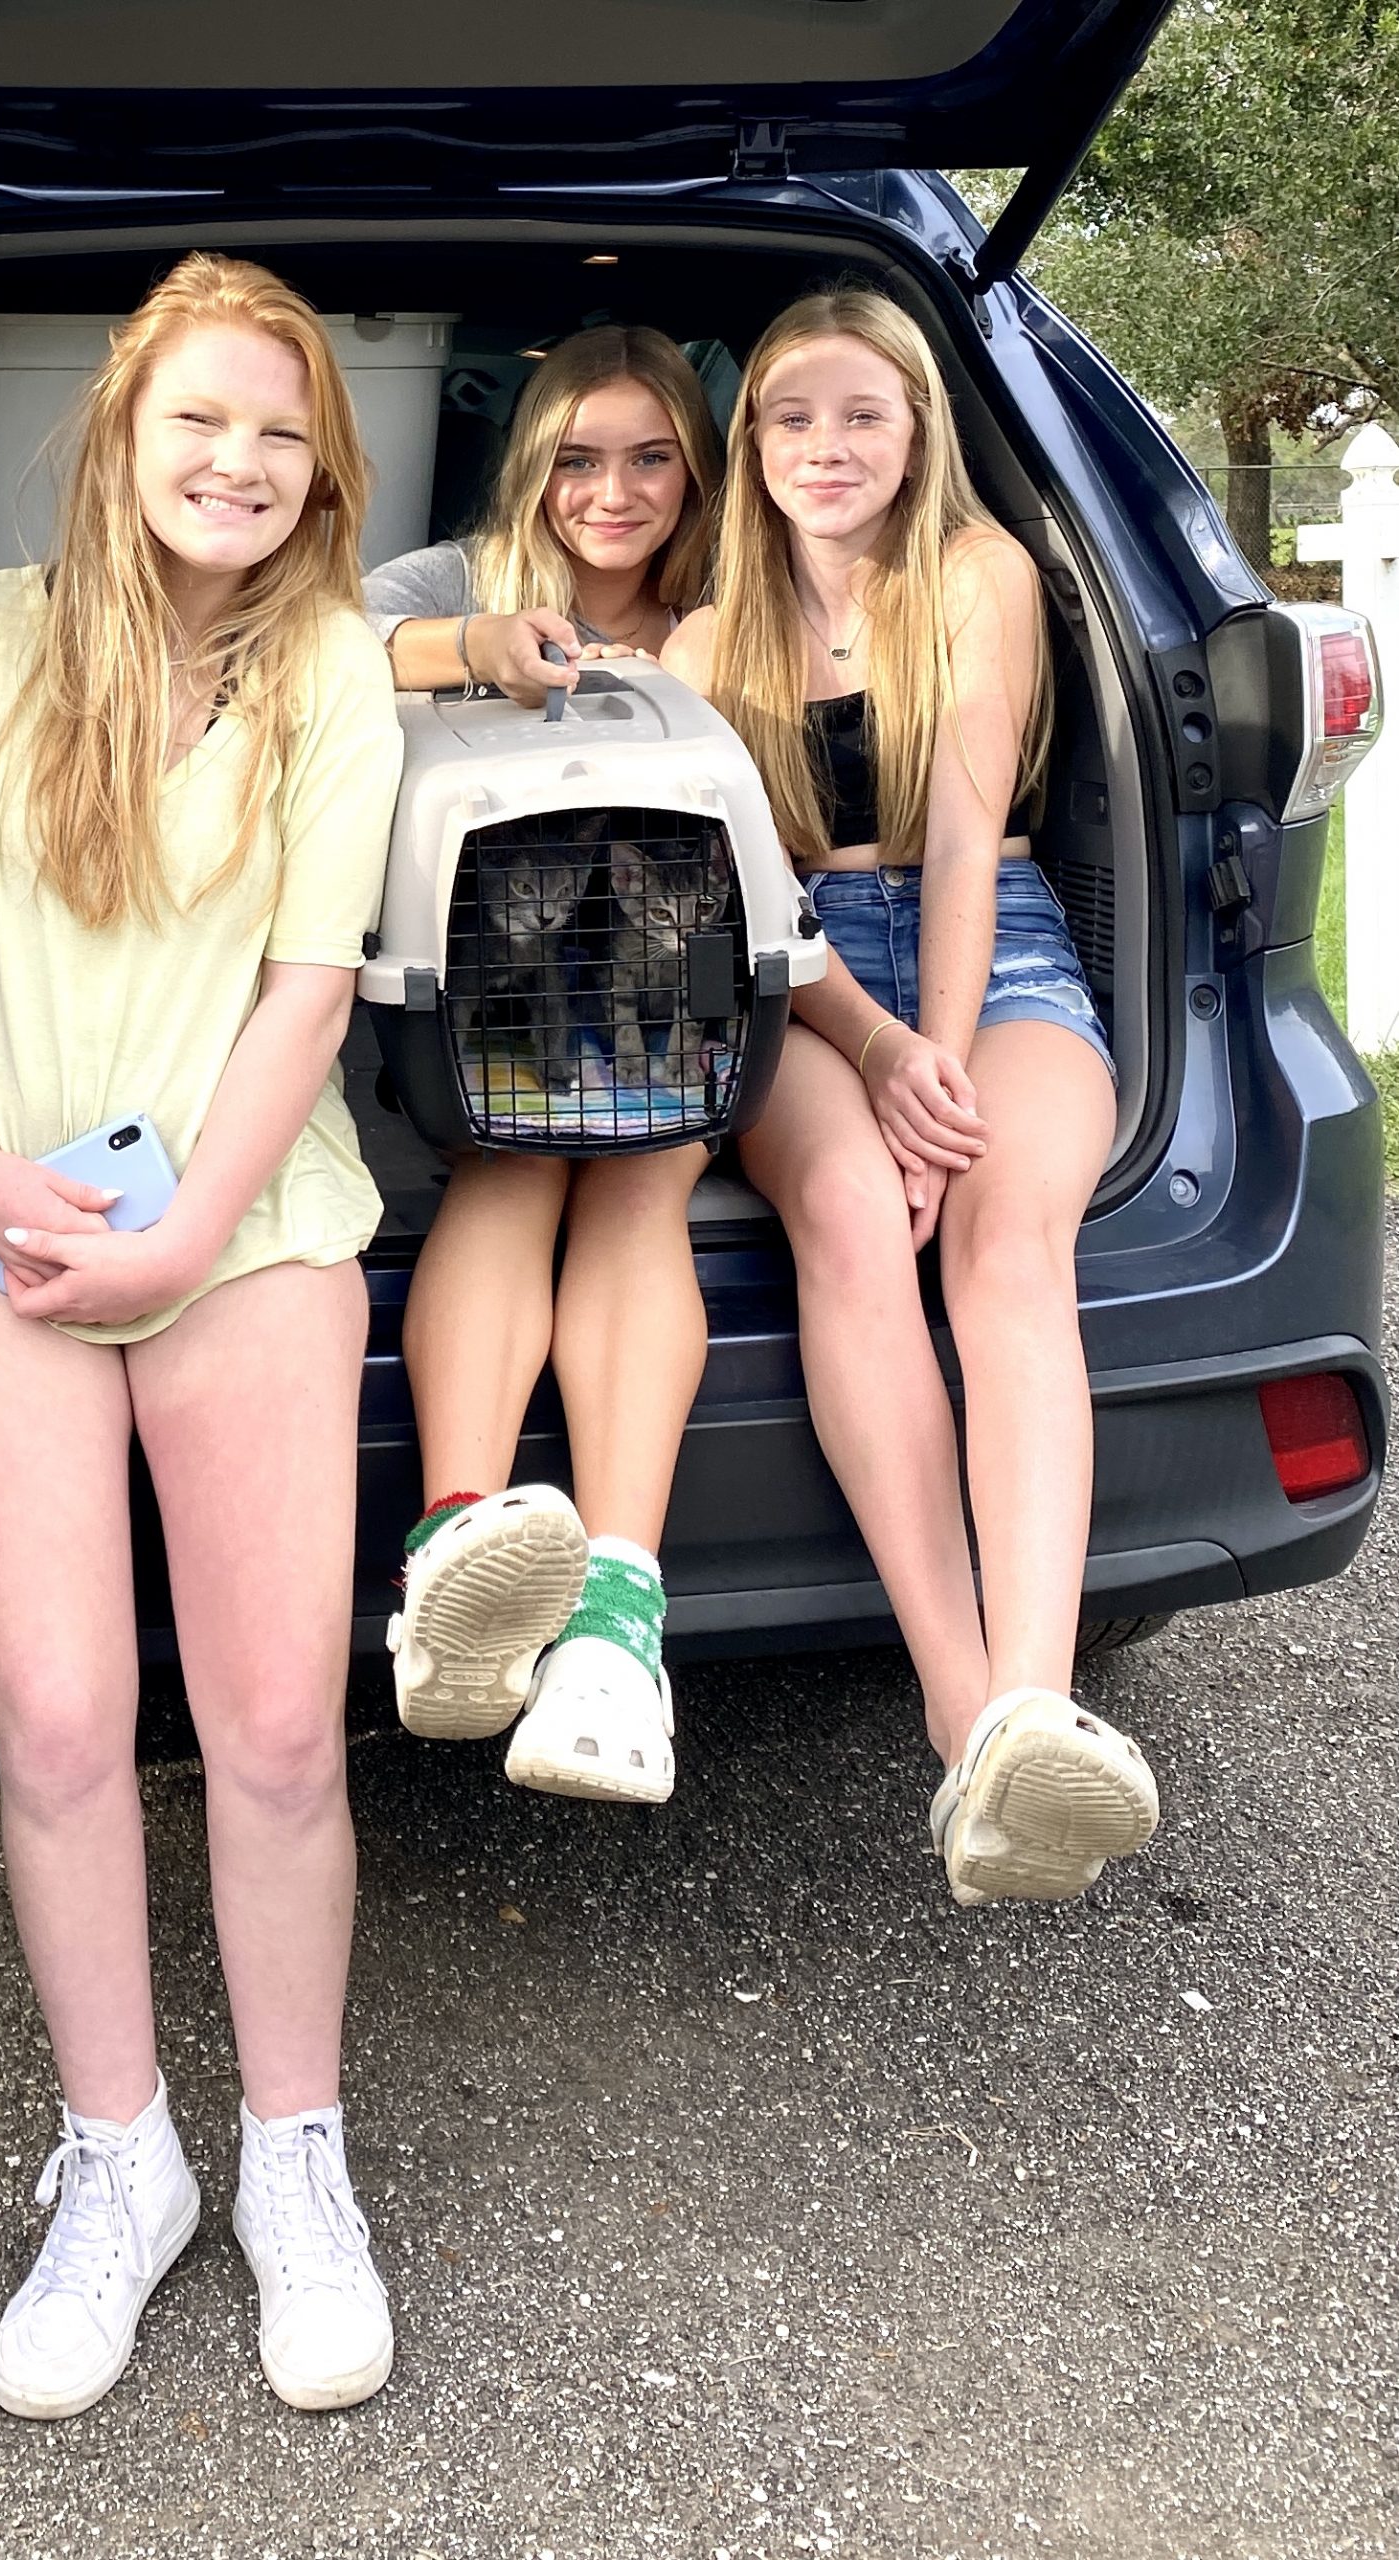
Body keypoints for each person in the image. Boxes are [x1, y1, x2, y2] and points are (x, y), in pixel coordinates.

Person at [0, 255, 403, 2421]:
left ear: (321, 467)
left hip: (250, 1229)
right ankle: (122, 2158)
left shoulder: (337, 668)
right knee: (68, 1726)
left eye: (281, 433)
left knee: (277, 1728)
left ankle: (295, 2152)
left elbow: (308, 980)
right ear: (119, 430)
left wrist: (182, 1224)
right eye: (201, 419)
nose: (239, 463)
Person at [660, 286, 1160, 1905]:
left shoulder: (979, 572)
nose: (827, 445)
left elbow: (958, 836)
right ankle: (968, 1721)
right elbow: (745, 898)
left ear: (918, 429)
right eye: (793, 416)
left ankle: (1035, 1697)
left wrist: (934, 1063)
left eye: (863, 413)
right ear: (752, 443)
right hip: (803, 984)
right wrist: (876, 1055)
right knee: (858, 1222)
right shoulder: (699, 635)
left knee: (1006, 1243)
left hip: (992, 946)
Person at [362, 327, 724, 1803]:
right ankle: (459, 1549)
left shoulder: (724, 608)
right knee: (510, 1159)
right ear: (531, 464)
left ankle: (613, 1630)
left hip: (684, 993)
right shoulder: (450, 581)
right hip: (486, 992)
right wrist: (475, 651)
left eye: (651, 458)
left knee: (645, 1167)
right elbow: (316, 646)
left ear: (696, 471)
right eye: (578, 457)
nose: (613, 492)